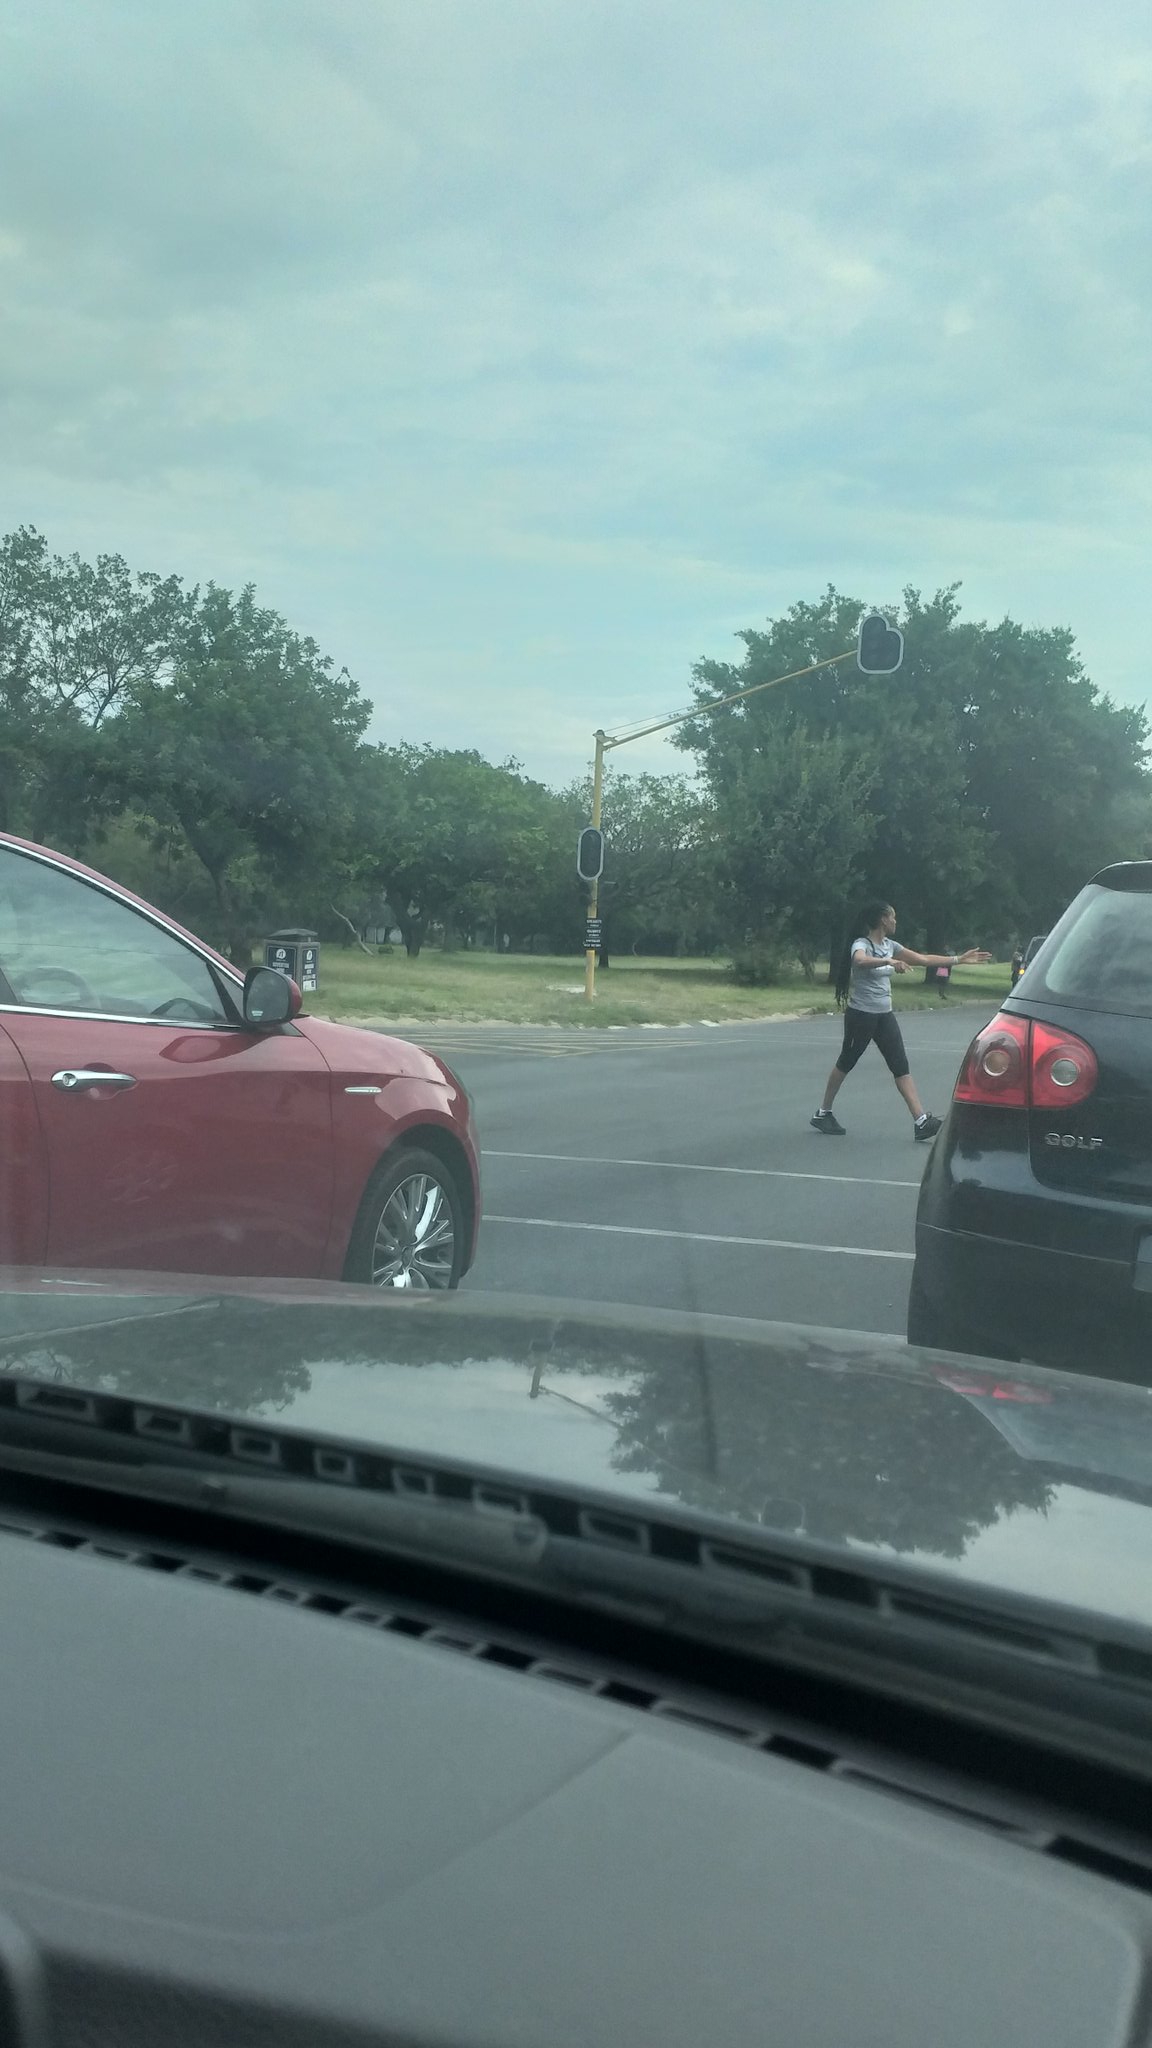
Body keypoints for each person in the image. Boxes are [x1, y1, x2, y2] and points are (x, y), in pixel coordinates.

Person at [811, 901, 990, 1142]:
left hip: (884, 1015)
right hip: (861, 1015)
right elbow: (860, 961)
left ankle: (921, 1121)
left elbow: (923, 959)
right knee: (846, 1061)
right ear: (883, 920)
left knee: (900, 1065)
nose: (896, 921)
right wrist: (888, 962)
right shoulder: (862, 944)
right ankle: (823, 1113)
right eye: (893, 917)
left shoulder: (890, 945)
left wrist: (958, 959)